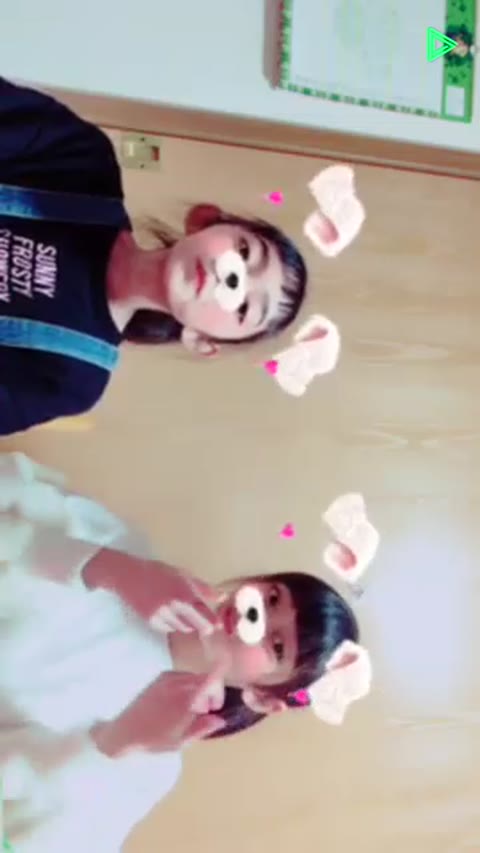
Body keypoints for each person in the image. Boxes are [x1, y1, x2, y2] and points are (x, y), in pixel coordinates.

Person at [0, 452, 367, 851]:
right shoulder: (128, 551)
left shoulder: (154, 758)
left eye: (276, 645)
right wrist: (105, 566)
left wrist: (112, 743)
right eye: (272, 598)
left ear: (263, 696)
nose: (255, 615)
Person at [0, 77, 308, 436]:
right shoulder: (80, 159)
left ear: (203, 340)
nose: (231, 279)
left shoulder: (71, 379)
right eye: (244, 252)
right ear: (206, 220)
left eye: (243, 309)